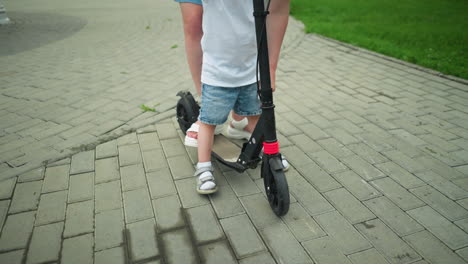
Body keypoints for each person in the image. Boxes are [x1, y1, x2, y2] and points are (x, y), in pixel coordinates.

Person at [192, 0, 290, 194]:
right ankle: (203, 167)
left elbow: (277, 11)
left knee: (255, 115)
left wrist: (269, 69)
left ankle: (268, 150)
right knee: (208, 122)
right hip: (217, 74)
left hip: (250, 69)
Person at [175, 0, 290, 148]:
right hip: (215, 63)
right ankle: (209, 111)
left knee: (252, 13)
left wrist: (269, 70)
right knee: (194, 20)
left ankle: (241, 119)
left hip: (247, 61)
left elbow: (278, 9)